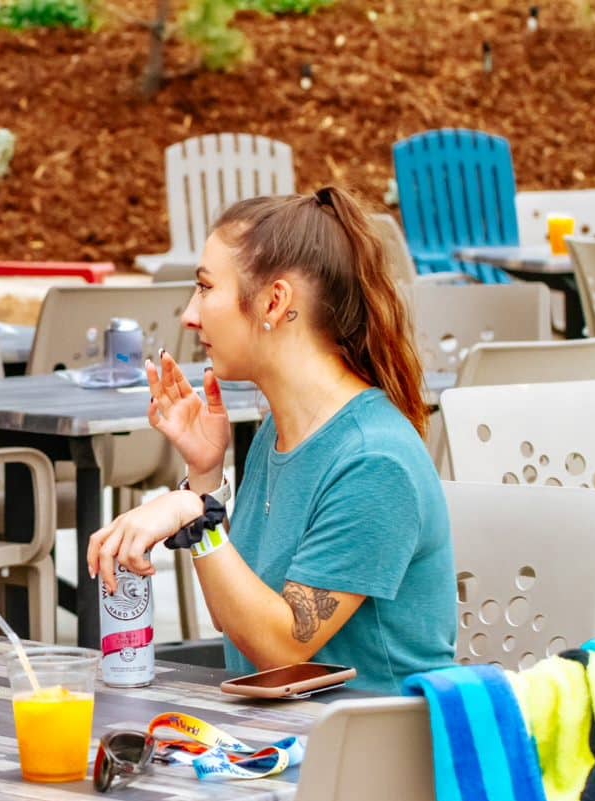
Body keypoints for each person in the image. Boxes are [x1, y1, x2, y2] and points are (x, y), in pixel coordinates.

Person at [88, 186, 456, 695]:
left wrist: (192, 514)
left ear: (274, 301)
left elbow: (281, 648)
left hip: (370, 753)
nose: (189, 316)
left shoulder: (374, 461)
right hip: (281, 738)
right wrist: (204, 479)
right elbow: (234, 624)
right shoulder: (278, 434)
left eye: (205, 288)